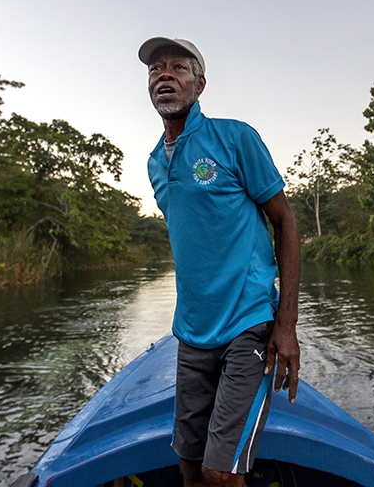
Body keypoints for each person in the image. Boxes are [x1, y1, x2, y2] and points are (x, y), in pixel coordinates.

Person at [140, 36, 301, 487]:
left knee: (218, 472)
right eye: (155, 70)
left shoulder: (234, 138)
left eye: (178, 67)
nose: (164, 75)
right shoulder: (155, 162)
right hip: (192, 331)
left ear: (200, 84)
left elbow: (286, 223)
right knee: (189, 465)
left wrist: (284, 326)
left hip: (248, 323)